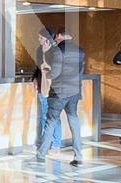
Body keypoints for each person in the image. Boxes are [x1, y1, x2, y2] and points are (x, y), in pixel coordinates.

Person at [35, 29, 87, 166]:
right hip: (74, 92)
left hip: (58, 92)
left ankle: (41, 154)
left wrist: (46, 72)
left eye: (57, 37)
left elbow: (55, 73)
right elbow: (81, 72)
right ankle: (78, 156)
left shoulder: (58, 51)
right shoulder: (80, 51)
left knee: (51, 121)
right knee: (74, 122)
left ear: (59, 36)